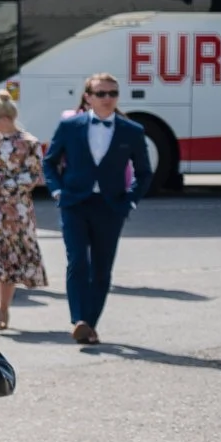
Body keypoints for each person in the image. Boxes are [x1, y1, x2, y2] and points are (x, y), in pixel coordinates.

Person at [42, 72, 154, 347]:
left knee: (102, 268)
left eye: (112, 94)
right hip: (74, 203)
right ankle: (78, 319)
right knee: (78, 260)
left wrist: (130, 201)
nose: (107, 99)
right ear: (88, 97)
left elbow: (144, 172)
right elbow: (49, 161)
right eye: (101, 94)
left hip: (110, 206)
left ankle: (89, 324)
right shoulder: (70, 126)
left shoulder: (133, 131)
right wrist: (57, 191)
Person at [0, 95, 48, 330]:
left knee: (11, 261)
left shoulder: (29, 143)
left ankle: (4, 307)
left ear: (5, 118)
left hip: (16, 211)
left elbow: (33, 177)